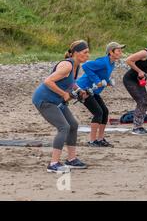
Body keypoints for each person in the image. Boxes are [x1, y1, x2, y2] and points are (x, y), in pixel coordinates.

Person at [32, 40, 89, 173]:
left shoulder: (76, 65)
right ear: (76, 53)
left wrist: (79, 90)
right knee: (64, 127)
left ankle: (71, 159)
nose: (88, 55)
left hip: (56, 100)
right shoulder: (67, 65)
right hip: (44, 100)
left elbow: (71, 82)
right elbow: (48, 81)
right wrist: (64, 94)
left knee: (73, 125)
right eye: (85, 52)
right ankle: (53, 163)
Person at [76, 42, 125, 147]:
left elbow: (101, 76)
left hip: (92, 91)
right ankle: (92, 141)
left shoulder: (111, 63)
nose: (121, 52)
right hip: (83, 89)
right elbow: (85, 66)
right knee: (98, 112)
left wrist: (107, 82)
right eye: (118, 50)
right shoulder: (102, 62)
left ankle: (100, 139)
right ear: (111, 52)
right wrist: (97, 80)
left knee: (105, 112)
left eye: (121, 50)